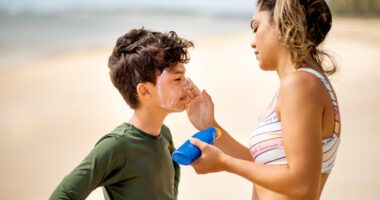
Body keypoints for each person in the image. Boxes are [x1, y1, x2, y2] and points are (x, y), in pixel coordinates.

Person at [185, 0, 341, 199]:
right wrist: (211, 127)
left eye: (256, 27)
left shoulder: (300, 84)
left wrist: (224, 163)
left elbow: (303, 185)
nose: (252, 42)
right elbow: (265, 167)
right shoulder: (304, 83)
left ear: (283, 24)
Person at [50, 28, 193, 200]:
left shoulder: (164, 135)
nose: (188, 85)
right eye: (177, 79)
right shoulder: (117, 146)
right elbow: (63, 196)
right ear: (145, 91)